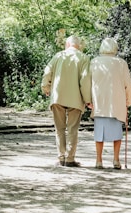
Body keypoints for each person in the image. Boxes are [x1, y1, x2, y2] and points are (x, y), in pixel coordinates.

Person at [41, 35, 92, 167]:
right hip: (75, 99)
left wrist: (46, 87)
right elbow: (85, 80)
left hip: (58, 97)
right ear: (78, 46)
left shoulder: (58, 56)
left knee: (59, 129)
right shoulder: (84, 58)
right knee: (72, 129)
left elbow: (47, 72)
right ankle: (70, 159)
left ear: (67, 44)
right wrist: (88, 100)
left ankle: (61, 157)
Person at [90, 38, 131, 169]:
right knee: (117, 133)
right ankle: (116, 160)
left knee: (99, 134)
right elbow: (129, 85)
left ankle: (98, 160)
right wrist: (128, 100)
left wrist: (88, 100)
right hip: (116, 103)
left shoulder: (94, 62)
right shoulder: (121, 63)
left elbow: (88, 82)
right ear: (115, 48)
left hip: (99, 102)